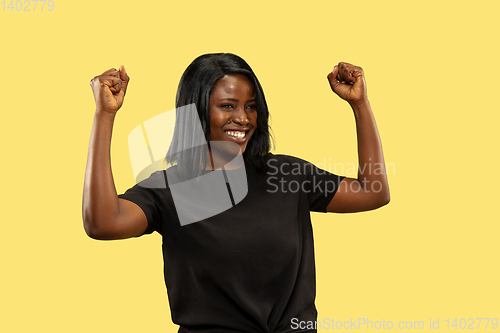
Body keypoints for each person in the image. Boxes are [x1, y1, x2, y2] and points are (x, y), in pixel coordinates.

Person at [83, 53, 390, 332]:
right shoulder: (170, 189)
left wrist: (359, 104)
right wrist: (104, 115)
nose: (243, 118)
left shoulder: (285, 175)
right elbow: (102, 223)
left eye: (251, 106)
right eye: (228, 106)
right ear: (196, 111)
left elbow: (373, 191)